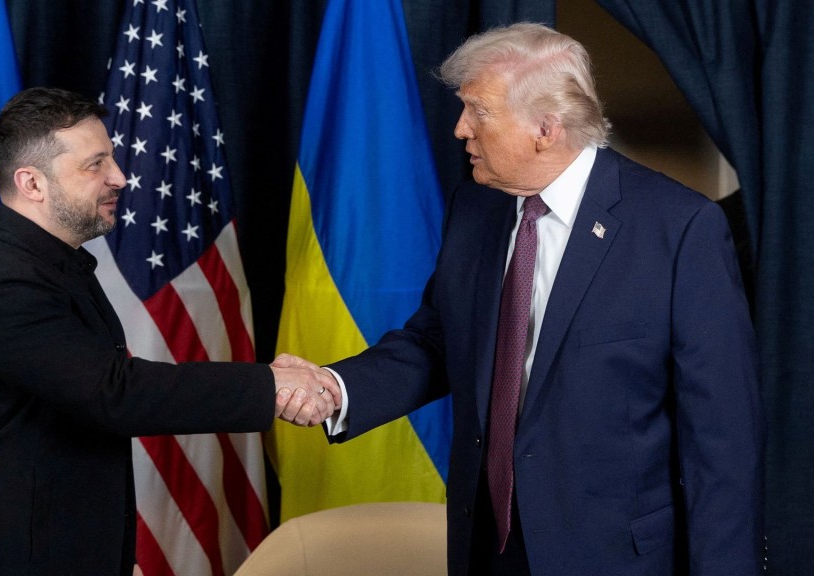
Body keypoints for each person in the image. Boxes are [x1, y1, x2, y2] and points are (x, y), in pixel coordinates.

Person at [274, 22, 764, 576]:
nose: (461, 129)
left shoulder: (678, 230)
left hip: (613, 557)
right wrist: (336, 388)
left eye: (478, 111)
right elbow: (438, 342)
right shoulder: (475, 209)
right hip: (486, 545)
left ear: (546, 128)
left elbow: (722, 443)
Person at [0, 87, 339, 575]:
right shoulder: (6, 281)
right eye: (95, 165)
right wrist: (270, 385)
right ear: (32, 183)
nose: (119, 177)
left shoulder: (53, 264)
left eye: (113, 160)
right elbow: (115, 393)